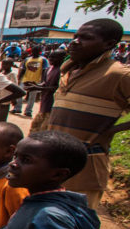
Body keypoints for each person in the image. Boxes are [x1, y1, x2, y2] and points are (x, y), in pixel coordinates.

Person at [42, 19, 130, 210]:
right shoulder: (69, 70)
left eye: (86, 38)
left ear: (109, 43)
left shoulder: (118, 75)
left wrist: (112, 131)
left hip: (84, 171)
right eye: (76, 37)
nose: (75, 42)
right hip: (52, 164)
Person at [14, 47, 47, 118]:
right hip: (25, 79)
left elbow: (44, 71)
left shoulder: (43, 60)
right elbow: (23, 69)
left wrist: (43, 81)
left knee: (32, 97)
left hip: (36, 81)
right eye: (34, 50)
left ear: (39, 51)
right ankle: (17, 108)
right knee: (19, 93)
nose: (35, 52)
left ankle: (28, 111)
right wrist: (19, 78)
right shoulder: (27, 59)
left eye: (36, 50)